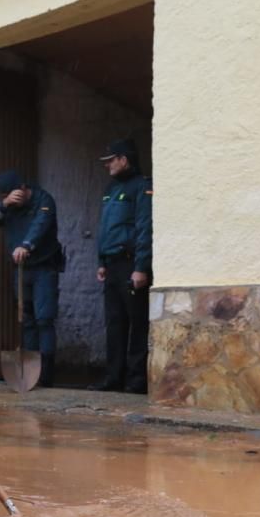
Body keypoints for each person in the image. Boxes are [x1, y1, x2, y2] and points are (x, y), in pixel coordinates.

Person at [0, 170, 63, 387]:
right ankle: (29, 373)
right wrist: (4, 204)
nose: (11, 197)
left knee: (44, 319)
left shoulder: (43, 200)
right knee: (26, 320)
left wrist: (26, 245)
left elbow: (41, 225)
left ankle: (45, 374)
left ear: (24, 187)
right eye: (5, 194)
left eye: (13, 192)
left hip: (44, 267)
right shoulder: (8, 205)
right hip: (21, 269)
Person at [90, 139, 153, 394]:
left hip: (130, 263)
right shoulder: (111, 189)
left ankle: (136, 380)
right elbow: (106, 228)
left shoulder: (142, 187)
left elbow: (144, 227)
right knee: (114, 323)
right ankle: (113, 377)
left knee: (136, 323)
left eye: (110, 161)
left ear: (123, 159)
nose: (107, 166)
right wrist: (101, 261)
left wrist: (141, 266)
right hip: (112, 263)